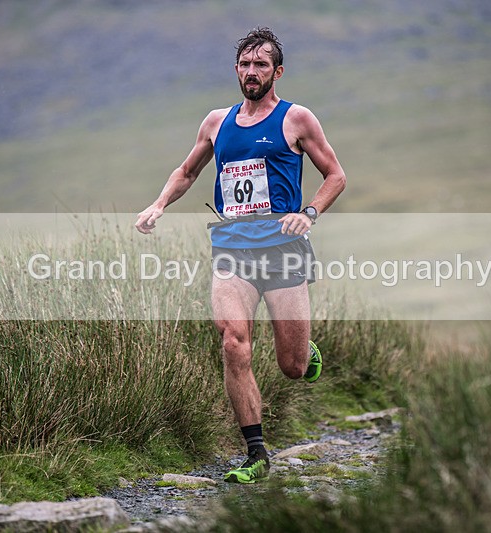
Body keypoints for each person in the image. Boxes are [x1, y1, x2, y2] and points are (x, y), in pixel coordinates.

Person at [135, 27, 346, 483]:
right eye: (245, 65)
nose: (252, 73)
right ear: (237, 70)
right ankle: (255, 453)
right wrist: (158, 204)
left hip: (285, 249)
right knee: (233, 341)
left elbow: (336, 176)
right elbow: (188, 170)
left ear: (278, 72)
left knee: (292, 368)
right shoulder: (216, 122)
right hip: (232, 249)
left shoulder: (297, 120)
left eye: (262, 65)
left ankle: (303, 351)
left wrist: (308, 213)